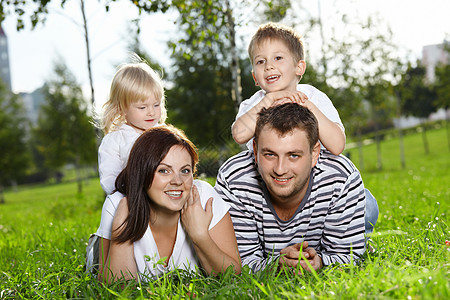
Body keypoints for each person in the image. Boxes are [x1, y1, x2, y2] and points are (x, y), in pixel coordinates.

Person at [215, 103, 369, 273]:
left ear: (314, 154)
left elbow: (349, 256)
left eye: (293, 155)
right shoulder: (233, 179)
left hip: (347, 206)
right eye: (270, 154)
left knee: (369, 211)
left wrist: (321, 262)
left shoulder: (341, 177)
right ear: (255, 150)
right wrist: (278, 265)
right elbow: (238, 262)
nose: (280, 169)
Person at [89, 125, 241, 282]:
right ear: (142, 173)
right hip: (99, 253)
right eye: (164, 170)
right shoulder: (117, 205)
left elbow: (232, 275)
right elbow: (116, 289)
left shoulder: (203, 197)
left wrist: (200, 235)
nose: (177, 181)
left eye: (185, 170)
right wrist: (122, 230)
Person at [232, 22, 345, 155]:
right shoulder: (254, 103)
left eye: (278, 58)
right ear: (255, 77)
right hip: (267, 172)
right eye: (260, 61)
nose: (268, 66)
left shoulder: (313, 97)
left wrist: (308, 106)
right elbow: (239, 135)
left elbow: (337, 146)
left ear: (299, 67)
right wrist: (270, 99)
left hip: (313, 169)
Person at [98, 56, 167, 195]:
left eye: (156, 105)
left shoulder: (164, 134)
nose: (151, 112)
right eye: (142, 107)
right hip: (131, 198)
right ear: (122, 108)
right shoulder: (115, 140)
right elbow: (109, 179)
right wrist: (132, 189)